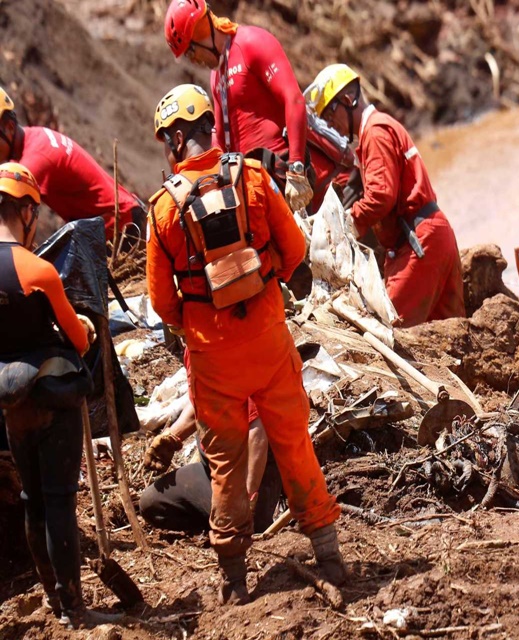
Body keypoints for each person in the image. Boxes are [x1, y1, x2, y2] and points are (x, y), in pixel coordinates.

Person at [146, 84, 344, 605]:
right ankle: (329, 554)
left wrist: (199, 319)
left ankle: (235, 583)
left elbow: (162, 304)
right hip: (269, 339)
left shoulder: (164, 209)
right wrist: (266, 273)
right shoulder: (252, 176)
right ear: (211, 127)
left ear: (176, 139)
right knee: (294, 443)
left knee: (226, 465)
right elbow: (296, 249)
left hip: (212, 357)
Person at [0, 162, 115, 628]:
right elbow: (80, 339)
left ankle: (52, 597)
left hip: (13, 405)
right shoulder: (39, 270)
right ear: (27, 211)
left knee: (32, 500)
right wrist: (84, 324)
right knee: (60, 500)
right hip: (52, 399)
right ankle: (74, 609)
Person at [306, 64, 465, 327]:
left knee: (392, 331)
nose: (329, 123)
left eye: (329, 113)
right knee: (452, 335)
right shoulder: (380, 129)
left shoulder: (375, 133)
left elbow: (381, 196)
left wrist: (347, 224)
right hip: (434, 237)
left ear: (347, 100)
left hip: (418, 244)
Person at [164, 0, 314, 212]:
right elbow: (221, 142)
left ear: (200, 33)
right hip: (250, 186)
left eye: (190, 53)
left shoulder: (251, 43)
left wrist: (296, 169)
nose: (193, 61)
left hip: (282, 176)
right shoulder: (216, 75)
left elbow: (294, 99)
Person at [140, 353, 282, 534]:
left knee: (245, 529)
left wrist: (247, 496)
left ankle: (239, 524)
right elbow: (199, 400)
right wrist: (172, 436)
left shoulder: (234, 351)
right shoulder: (194, 350)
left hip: (249, 476)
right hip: (212, 471)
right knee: (153, 503)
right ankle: (218, 524)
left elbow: (257, 429)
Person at [0, 86, 145, 244]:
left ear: (9, 128)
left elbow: (12, 221)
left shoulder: (34, 161)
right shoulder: (33, 137)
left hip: (122, 229)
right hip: (114, 221)